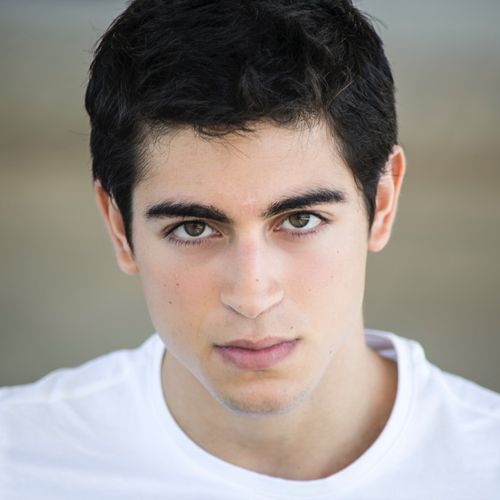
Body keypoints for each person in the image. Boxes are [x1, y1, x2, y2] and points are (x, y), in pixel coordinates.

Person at [1, 0, 499, 498]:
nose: (252, 296)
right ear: (118, 227)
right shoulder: (18, 459)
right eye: (193, 228)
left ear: (383, 202)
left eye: (300, 220)